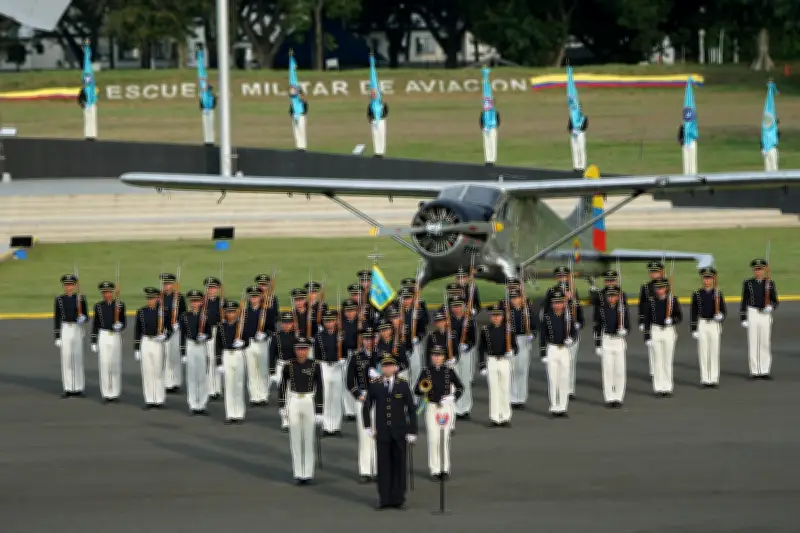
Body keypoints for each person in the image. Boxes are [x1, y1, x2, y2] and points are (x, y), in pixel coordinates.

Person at [363, 357, 417, 510]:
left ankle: (398, 498)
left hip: (400, 432)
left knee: (399, 465)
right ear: (381, 368)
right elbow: (366, 406)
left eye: (390, 365)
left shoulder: (403, 385)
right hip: (383, 432)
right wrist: (368, 426)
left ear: (395, 368)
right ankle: (384, 498)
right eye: (385, 366)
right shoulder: (375, 385)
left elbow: (411, 409)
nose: (387, 368)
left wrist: (412, 431)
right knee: (383, 466)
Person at [414, 346, 463, 480]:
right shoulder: (426, 371)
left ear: (444, 357)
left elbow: (460, 387)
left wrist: (453, 397)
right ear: (431, 357)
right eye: (434, 355)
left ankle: (445, 468)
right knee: (433, 438)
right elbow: (416, 390)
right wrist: (422, 389)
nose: (436, 358)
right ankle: (434, 469)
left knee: (444, 438)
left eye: (439, 355)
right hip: (431, 407)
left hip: (445, 408)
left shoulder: (449, 371)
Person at [281, 337, 324, 484]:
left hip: (309, 400)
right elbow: (282, 385)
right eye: (299, 349)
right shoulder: (288, 365)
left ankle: (308, 473)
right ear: (295, 350)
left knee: (308, 437)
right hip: (294, 400)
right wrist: (282, 406)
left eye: (304, 349)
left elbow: (320, 388)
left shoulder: (315, 365)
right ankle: (298, 473)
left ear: (308, 350)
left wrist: (319, 411)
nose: (301, 352)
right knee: (295, 438)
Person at [539, 289, 577, 417]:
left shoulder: (568, 317)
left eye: (560, 302)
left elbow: (574, 333)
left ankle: (562, 407)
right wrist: (543, 353)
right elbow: (542, 336)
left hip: (564, 349)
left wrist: (571, 339)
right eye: (555, 303)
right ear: (552, 304)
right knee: (553, 379)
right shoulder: (547, 317)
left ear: (564, 303)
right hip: (552, 349)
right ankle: (554, 406)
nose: (558, 305)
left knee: (564, 378)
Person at [347, 328, 378, 482]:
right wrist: (359, 395)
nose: (369, 342)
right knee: (365, 434)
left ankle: (378, 470)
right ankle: (365, 471)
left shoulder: (381, 356)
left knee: (379, 434)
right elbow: (349, 381)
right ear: (362, 340)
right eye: (366, 339)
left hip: (379, 397)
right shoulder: (356, 357)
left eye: (371, 339)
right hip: (363, 396)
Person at [479, 304, 518, 426]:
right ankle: (495, 417)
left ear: (502, 316)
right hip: (492, 361)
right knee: (494, 390)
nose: (496, 318)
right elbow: (481, 348)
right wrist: (482, 365)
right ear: (490, 317)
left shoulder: (509, 330)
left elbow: (515, 346)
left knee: (505, 389)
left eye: (498, 315)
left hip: (504, 361)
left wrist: (512, 351)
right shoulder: (485, 330)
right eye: (493, 315)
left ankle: (505, 417)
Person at [740, 258, 779, 379]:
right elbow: (744, 300)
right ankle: (755, 371)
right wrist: (743, 317)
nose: (758, 271)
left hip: (765, 314)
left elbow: (775, 300)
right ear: (753, 270)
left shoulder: (769, 283)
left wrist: (771, 307)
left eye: (760, 269)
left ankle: (765, 370)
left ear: (764, 270)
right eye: (756, 269)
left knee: (765, 342)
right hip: (753, 312)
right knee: (753, 342)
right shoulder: (748, 283)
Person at [643, 279, 682, 396]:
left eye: (662, 288)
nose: (659, 290)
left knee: (667, 360)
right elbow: (647, 320)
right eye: (657, 288)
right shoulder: (651, 302)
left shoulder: (672, 300)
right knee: (657, 361)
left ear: (666, 288)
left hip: (668, 331)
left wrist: (672, 320)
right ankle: (658, 387)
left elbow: (679, 317)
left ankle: (667, 387)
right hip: (656, 331)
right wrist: (647, 336)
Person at [592, 285, 630, 407]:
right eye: (609, 296)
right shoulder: (601, 309)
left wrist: (625, 331)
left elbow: (628, 325)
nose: (611, 298)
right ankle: (609, 397)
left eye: (614, 296)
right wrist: (598, 345)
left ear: (618, 297)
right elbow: (597, 328)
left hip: (619, 340)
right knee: (608, 370)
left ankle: (618, 397)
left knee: (619, 370)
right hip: (607, 339)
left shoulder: (622, 309)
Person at [690, 267, 727, 388]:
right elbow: (693, 312)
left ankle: (714, 379)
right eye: (705, 278)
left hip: (714, 324)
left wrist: (720, 316)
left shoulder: (718, 294)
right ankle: (705, 379)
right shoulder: (697, 294)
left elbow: (723, 310)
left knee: (714, 351)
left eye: (709, 278)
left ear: (713, 279)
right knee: (703, 352)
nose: (707, 281)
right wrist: (694, 328)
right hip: (702, 323)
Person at [54, 274, 88, 398]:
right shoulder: (59, 299)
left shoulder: (80, 298)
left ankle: (79, 387)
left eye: (70, 285)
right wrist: (57, 336)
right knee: (67, 358)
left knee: (78, 357)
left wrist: (83, 317)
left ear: (74, 286)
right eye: (66, 285)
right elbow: (57, 318)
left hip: (77, 328)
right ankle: (68, 387)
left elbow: (86, 316)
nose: (68, 287)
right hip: (65, 329)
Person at [91, 281, 125, 402]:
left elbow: (124, 322)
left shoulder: (120, 305)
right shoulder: (98, 306)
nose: (107, 295)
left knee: (115, 364)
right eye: (104, 293)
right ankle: (106, 393)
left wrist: (120, 325)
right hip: (103, 335)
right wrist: (93, 340)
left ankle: (115, 393)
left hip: (115, 335)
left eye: (109, 292)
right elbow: (95, 324)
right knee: (104, 364)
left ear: (112, 292)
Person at [133, 287, 167, 409]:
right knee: (147, 371)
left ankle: (159, 399)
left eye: (152, 298)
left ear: (157, 299)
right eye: (148, 298)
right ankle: (149, 399)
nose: (150, 301)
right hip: (146, 341)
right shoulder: (141, 312)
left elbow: (169, 327)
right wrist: (137, 347)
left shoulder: (162, 311)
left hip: (158, 342)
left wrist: (165, 335)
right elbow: (137, 330)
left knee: (158, 371)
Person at [505, 288, 537, 409]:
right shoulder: (507, 311)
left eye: (516, 298)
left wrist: (532, 335)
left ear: (521, 298)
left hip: (524, 339)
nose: (514, 300)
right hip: (511, 339)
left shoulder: (527, 310)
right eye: (512, 298)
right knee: (512, 369)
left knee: (522, 369)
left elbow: (534, 326)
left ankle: (521, 398)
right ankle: (512, 398)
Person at [315, 309, 346, 436]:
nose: (329, 323)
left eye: (332, 321)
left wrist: (343, 358)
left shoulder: (341, 334)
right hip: (325, 366)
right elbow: (317, 355)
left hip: (337, 367)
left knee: (337, 397)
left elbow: (347, 348)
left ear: (336, 321)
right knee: (326, 397)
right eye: (327, 321)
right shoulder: (319, 336)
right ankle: (327, 427)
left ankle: (336, 427)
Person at [216, 300, 247, 423]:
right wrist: (219, 363)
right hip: (226, 355)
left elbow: (247, 341)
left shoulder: (241, 325)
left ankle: (239, 414)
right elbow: (218, 345)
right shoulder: (221, 326)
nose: (230, 314)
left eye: (233, 312)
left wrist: (242, 343)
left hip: (238, 354)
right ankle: (230, 414)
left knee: (238, 384)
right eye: (228, 312)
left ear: (236, 313)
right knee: (228, 385)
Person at [180, 289, 210, 415]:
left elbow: (209, 333)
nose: (194, 304)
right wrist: (183, 353)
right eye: (192, 301)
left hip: (201, 346)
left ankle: (202, 404)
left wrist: (205, 336)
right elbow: (182, 335)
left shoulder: (205, 316)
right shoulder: (185, 316)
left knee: (202, 376)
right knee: (191, 376)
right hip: (190, 345)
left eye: (196, 301)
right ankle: (193, 404)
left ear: (201, 302)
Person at [448, 296, 476, 420]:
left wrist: (467, 345)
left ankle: (465, 408)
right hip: (452, 353)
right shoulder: (448, 321)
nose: (457, 309)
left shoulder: (469, 321)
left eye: (459, 306)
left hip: (464, 353)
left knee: (465, 380)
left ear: (463, 307)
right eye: (454, 306)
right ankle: (454, 408)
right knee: (453, 382)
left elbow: (473, 339)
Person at [240, 286, 269, 405]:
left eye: (256, 296)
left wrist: (265, 334)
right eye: (252, 297)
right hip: (249, 343)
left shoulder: (266, 311)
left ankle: (263, 395)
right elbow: (241, 328)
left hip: (262, 343)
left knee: (262, 370)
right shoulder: (244, 312)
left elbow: (271, 327)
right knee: (252, 371)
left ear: (260, 297)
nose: (254, 299)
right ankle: (254, 396)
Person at [269, 312, 297, 431]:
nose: (286, 325)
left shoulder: (297, 336)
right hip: (281, 366)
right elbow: (271, 354)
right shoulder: (276, 336)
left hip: (294, 366)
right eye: (284, 323)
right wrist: (272, 371)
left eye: (289, 323)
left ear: (293, 323)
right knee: (284, 393)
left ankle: (294, 419)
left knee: (294, 394)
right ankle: (285, 420)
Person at [160, 273, 187, 394]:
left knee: (174, 356)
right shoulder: (159, 297)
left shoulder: (179, 298)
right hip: (163, 330)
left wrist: (178, 323)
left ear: (173, 284)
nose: (166, 286)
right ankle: (166, 382)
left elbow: (184, 314)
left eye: (169, 284)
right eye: (165, 284)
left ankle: (175, 381)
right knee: (164, 356)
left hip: (176, 330)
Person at [638, 262, 665, 377]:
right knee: (652, 347)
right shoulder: (645, 287)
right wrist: (641, 321)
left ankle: (663, 369)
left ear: (661, 272)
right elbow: (641, 305)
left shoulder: (666, 286)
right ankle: (654, 370)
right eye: (652, 272)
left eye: (656, 272)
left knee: (665, 348)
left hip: (663, 320)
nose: (654, 274)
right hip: (650, 321)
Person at [203, 276, 224, 400]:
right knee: (209, 360)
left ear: (217, 289)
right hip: (207, 332)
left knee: (218, 359)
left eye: (213, 288)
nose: (211, 290)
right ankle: (210, 389)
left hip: (219, 332)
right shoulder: (202, 302)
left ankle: (217, 388)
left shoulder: (222, 302)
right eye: (209, 288)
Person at [340, 297, 360, 421]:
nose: (350, 313)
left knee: (358, 381)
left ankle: (358, 408)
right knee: (347, 382)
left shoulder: (361, 322)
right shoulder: (340, 323)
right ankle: (349, 411)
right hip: (346, 355)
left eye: (352, 310)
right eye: (347, 310)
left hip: (358, 353)